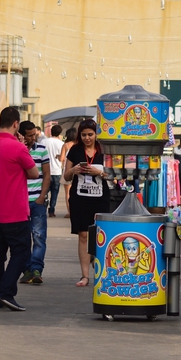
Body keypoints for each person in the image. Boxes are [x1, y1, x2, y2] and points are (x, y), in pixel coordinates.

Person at [0, 107, 38, 311]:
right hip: (15, 210)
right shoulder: (18, 148)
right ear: (16, 124)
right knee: (21, 252)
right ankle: (5, 292)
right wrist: (23, 147)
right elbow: (34, 173)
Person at [62, 118, 110, 287]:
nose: (87, 138)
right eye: (84, 135)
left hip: (101, 199)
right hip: (80, 199)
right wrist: (73, 170)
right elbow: (65, 176)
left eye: (90, 134)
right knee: (83, 235)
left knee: (100, 236)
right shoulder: (74, 151)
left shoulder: (104, 150)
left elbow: (115, 175)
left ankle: (100, 269)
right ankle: (85, 276)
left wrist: (99, 172)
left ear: (96, 134)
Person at [17, 121, 50, 285]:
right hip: (19, 202)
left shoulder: (42, 150)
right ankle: (27, 269)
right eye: (29, 135)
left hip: (37, 201)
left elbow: (47, 175)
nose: (32, 138)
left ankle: (36, 269)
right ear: (21, 134)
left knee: (38, 237)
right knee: (22, 239)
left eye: (34, 135)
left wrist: (41, 196)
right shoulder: (16, 150)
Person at [46, 125, 64, 217]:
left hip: (46, 171)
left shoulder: (44, 142)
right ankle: (51, 211)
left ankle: (43, 207)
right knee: (54, 193)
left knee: (44, 191)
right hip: (57, 171)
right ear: (60, 133)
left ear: (51, 132)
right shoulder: (61, 143)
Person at [60, 127, 78, 218]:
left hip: (67, 170)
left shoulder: (66, 145)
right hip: (77, 170)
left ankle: (69, 212)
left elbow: (62, 158)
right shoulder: (78, 145)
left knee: (67, 193)